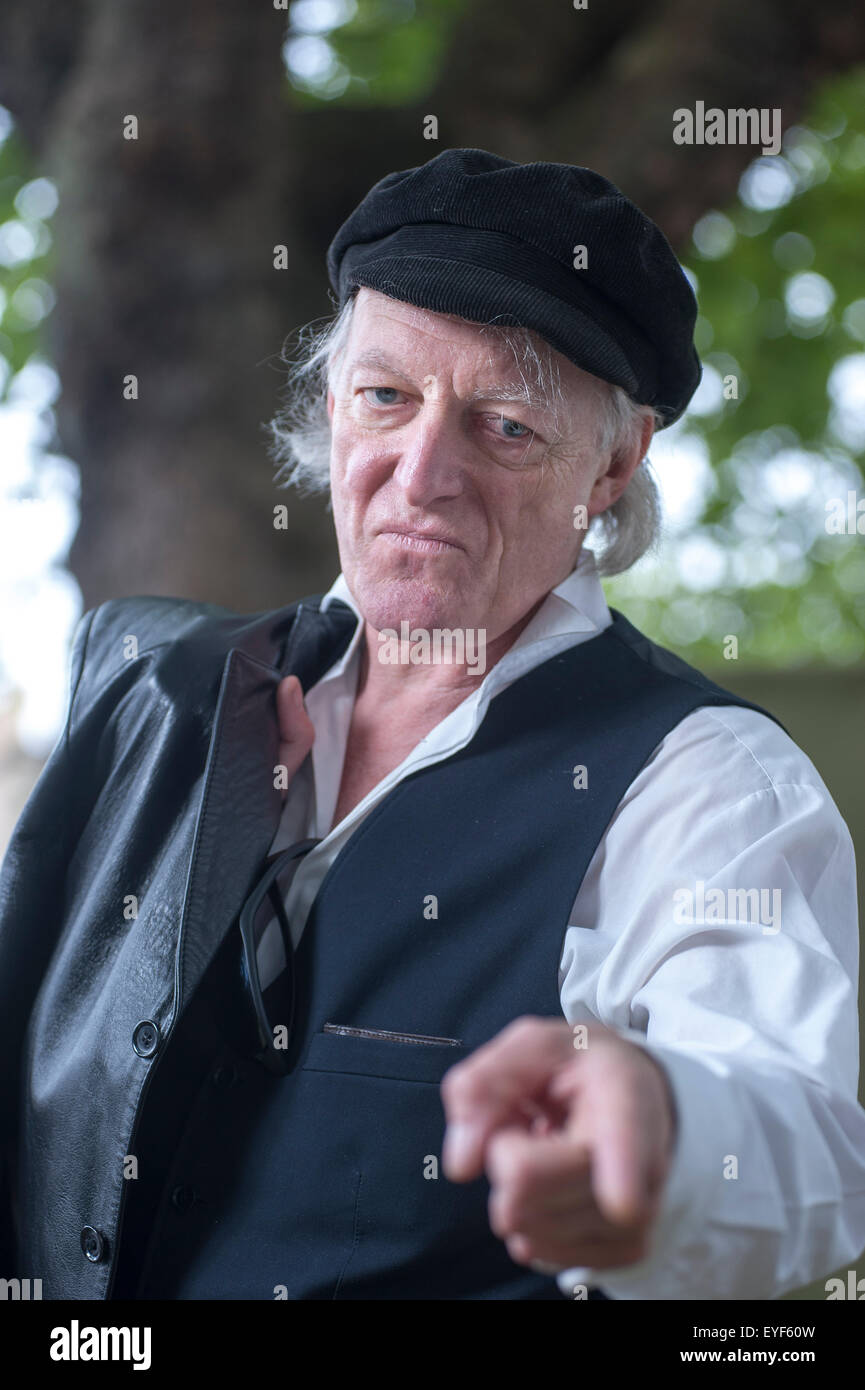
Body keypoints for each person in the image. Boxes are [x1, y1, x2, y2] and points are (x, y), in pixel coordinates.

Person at [1, 148, 863, 1302]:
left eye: (503, 424)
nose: (421, 475)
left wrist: (665, 1128)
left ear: (613, 464)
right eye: (386, 397)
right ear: (331, 407)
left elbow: (800, 1124)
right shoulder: (166, 691)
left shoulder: (706, 782)